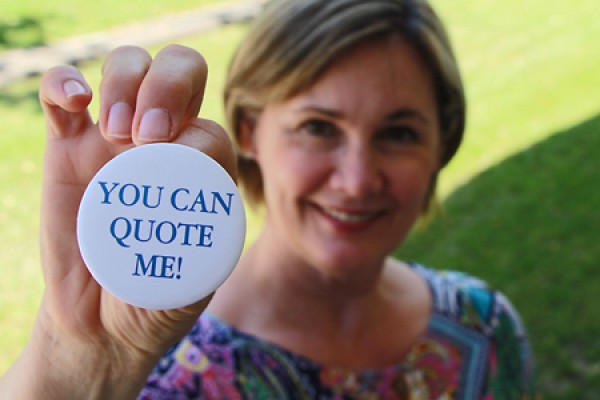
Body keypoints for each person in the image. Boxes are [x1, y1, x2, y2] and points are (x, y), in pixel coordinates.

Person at [0, 0, 536, 398]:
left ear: (441, 143)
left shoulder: (483, 327)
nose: (356, 179)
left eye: (398, 134)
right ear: (250, 131)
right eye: (319, 127)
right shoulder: (162, 378)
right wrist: (80, 359)